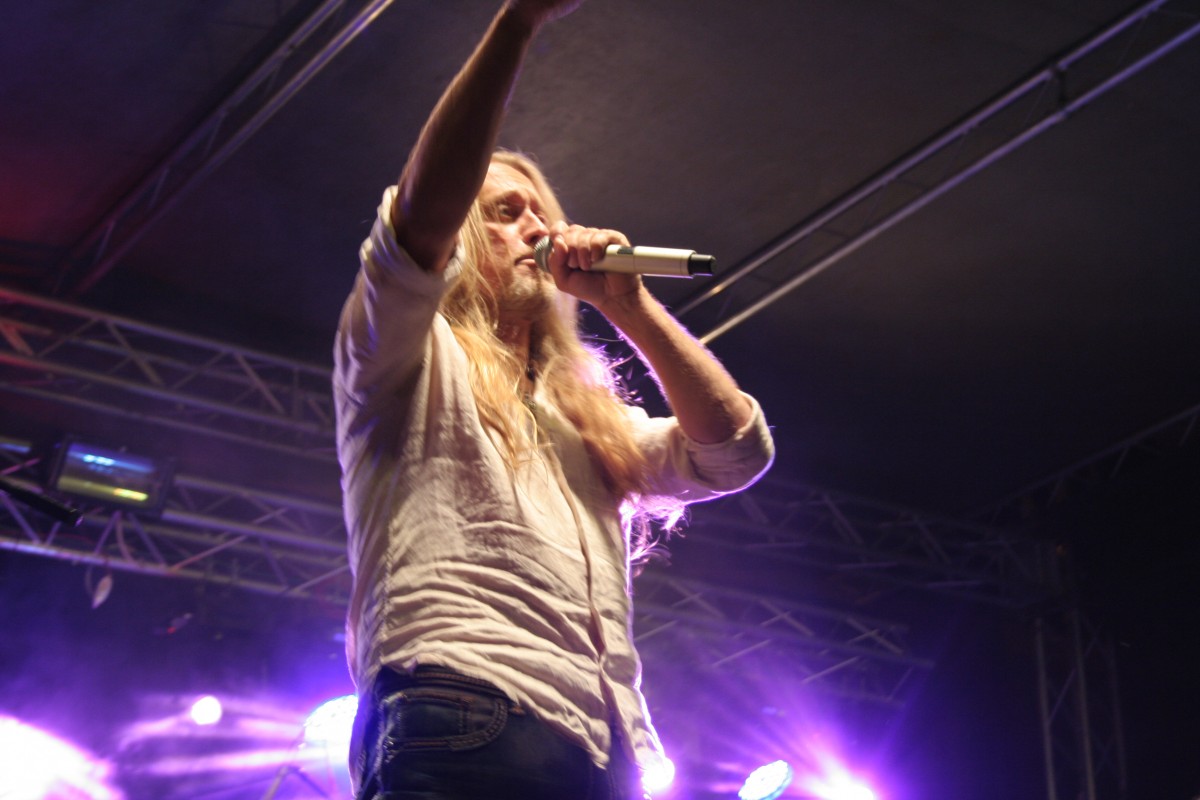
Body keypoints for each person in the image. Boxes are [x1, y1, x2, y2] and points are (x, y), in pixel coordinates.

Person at [333, 1, 775, 797]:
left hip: (602, 748)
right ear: (465, 238)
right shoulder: (407, 355)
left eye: (544, 214)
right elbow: (418, 219)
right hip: (462, 700)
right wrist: (518, 23)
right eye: (506, 214)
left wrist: (631, 305)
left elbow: (736, 451)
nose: (538, 229)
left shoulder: (584, 414)